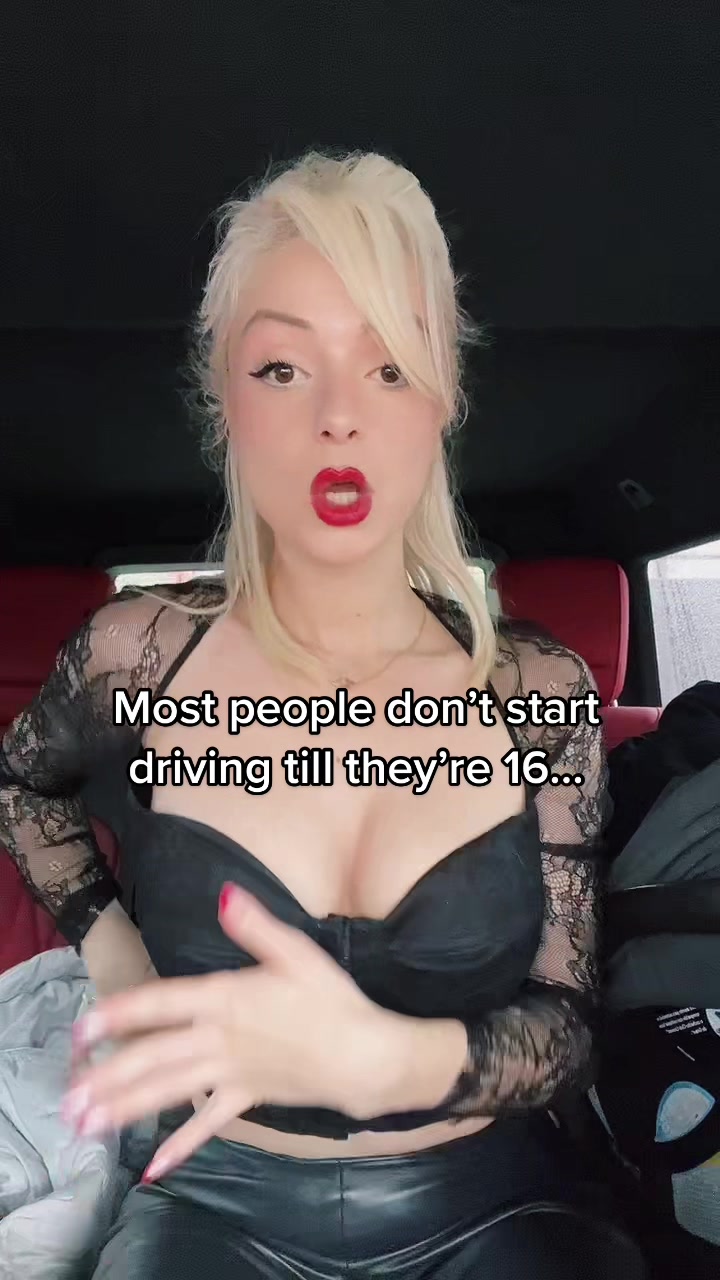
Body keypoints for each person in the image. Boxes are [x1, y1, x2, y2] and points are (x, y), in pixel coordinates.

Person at [0, 150, 647, 1278]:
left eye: (390, 365)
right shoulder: (135, 653)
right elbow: (25, 783)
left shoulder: (538, 692)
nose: (341, 417)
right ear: (226, 401)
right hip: (213, 1193)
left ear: (442, 398)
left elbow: (567, 1024)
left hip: (490, 1201)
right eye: (284, 366)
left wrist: (391, 1061)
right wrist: (118, 958)